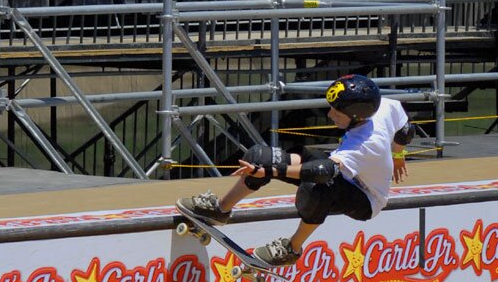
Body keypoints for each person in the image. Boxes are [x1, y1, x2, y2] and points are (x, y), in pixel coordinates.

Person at [177, 74, 415, 267]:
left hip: (365, 197)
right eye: (330, 108)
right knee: (260, 156)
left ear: (356, 115)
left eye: (336, 113)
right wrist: (397, 155)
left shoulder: (366, 143)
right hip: (344, 172)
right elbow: (405, 129)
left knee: (317, 188)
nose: (330, 115)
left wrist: (270, 171)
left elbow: (321, 172)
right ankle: (220, 209)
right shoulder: (382, 105)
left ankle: (292, 249)